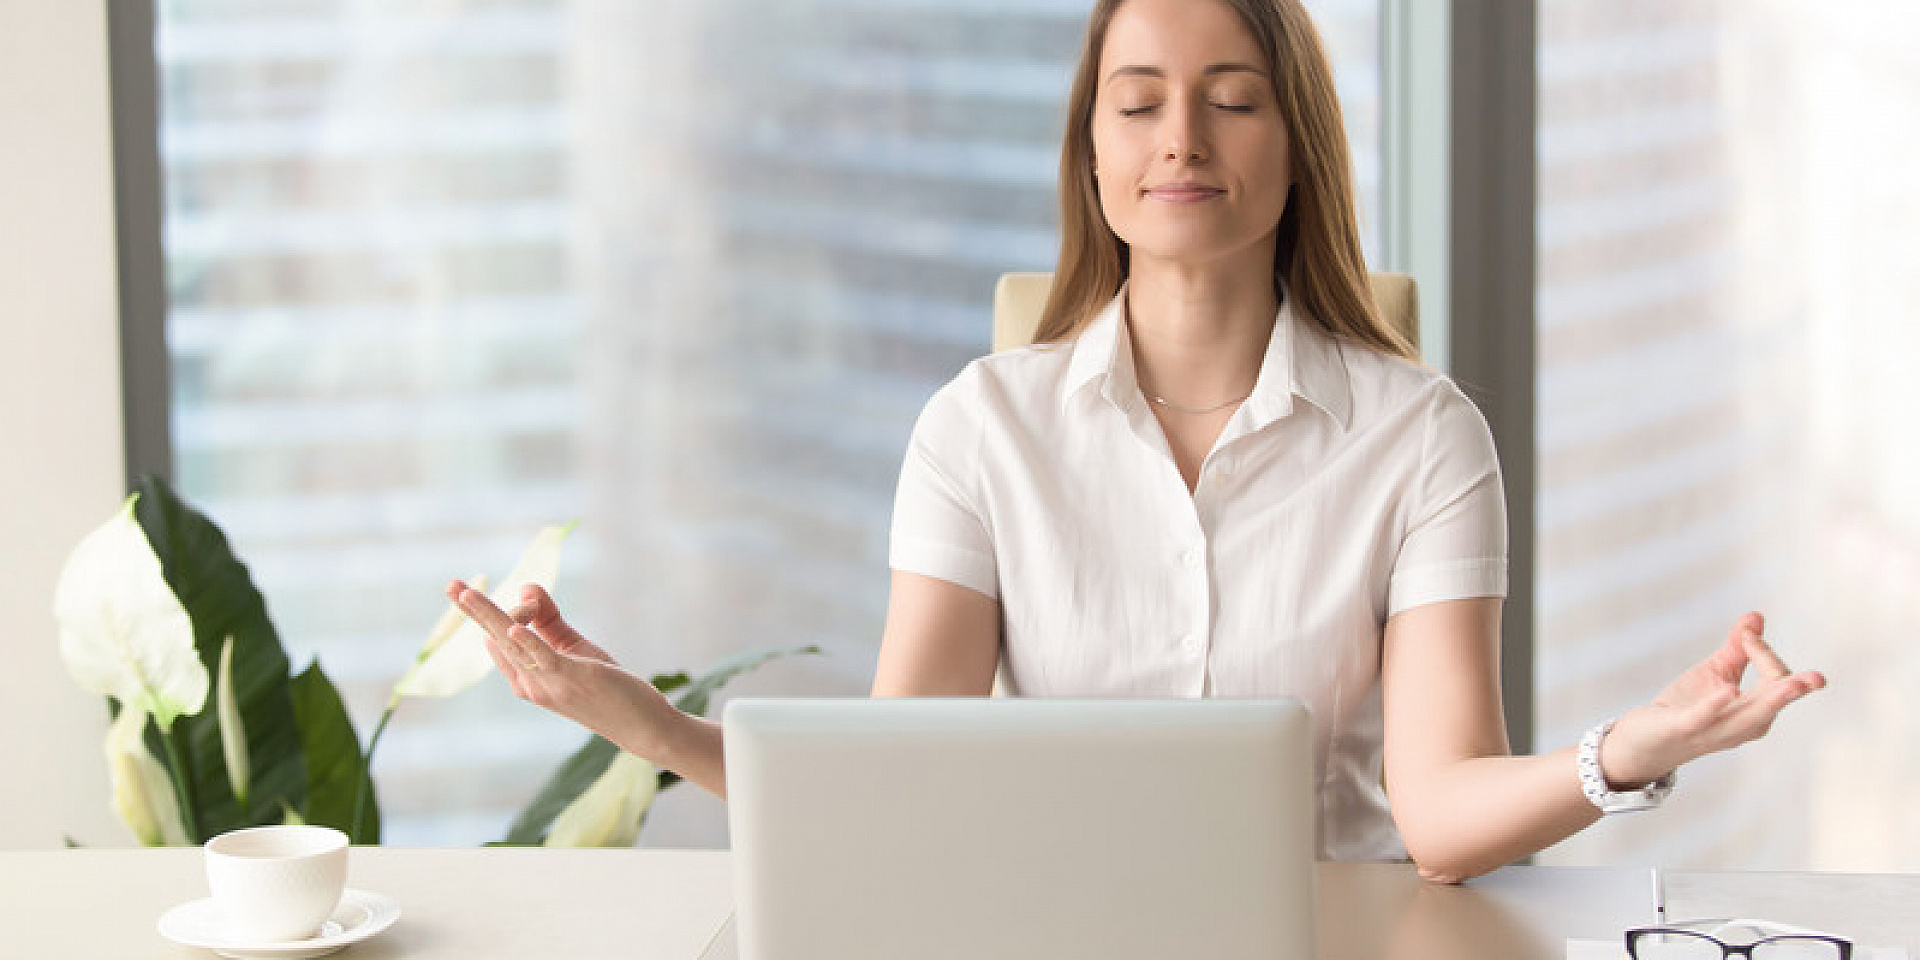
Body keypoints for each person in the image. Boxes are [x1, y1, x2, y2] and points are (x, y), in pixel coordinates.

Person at [447, 0, 1826, 883]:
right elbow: (891, 783)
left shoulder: (1424, 438)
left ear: (1297, 148)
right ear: (1093, 159)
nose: (1183, 137)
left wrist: (1632, 748)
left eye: (1233, 97)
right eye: (1139, 100)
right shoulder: (980, 430)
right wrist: (654, 728)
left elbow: (1447, 809)